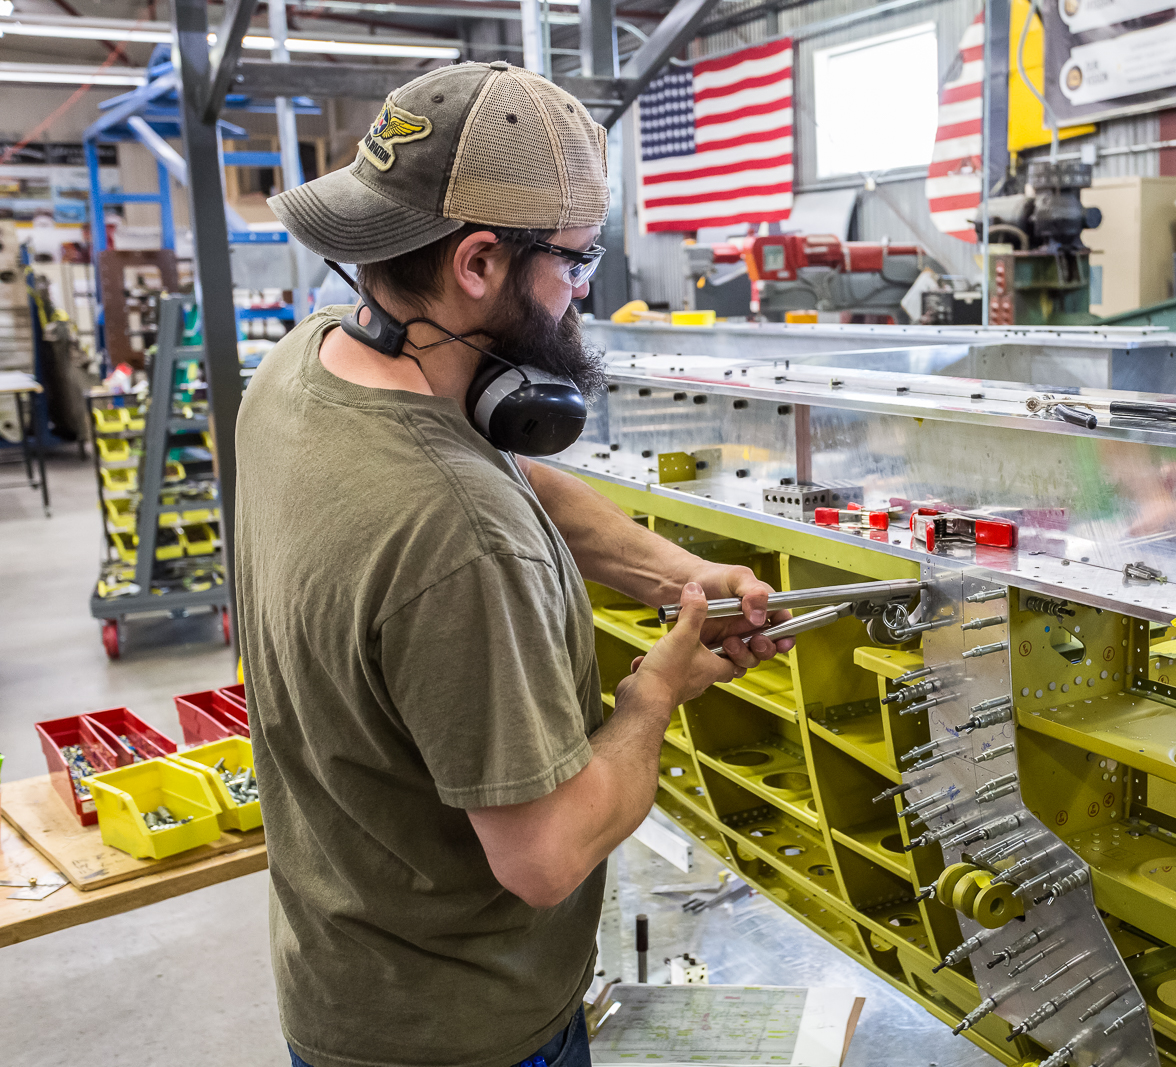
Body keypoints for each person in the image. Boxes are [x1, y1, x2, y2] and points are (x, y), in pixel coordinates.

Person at [236, 61, 791, 1067]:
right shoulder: (457, 535)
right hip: (467, 1031)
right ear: (481, 261)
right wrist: (651, 696)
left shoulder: (303, 365)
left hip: (344, 976)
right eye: (576, 263)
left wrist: (672, 574)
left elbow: (505, 472)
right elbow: (544, 855)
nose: (581, 295)